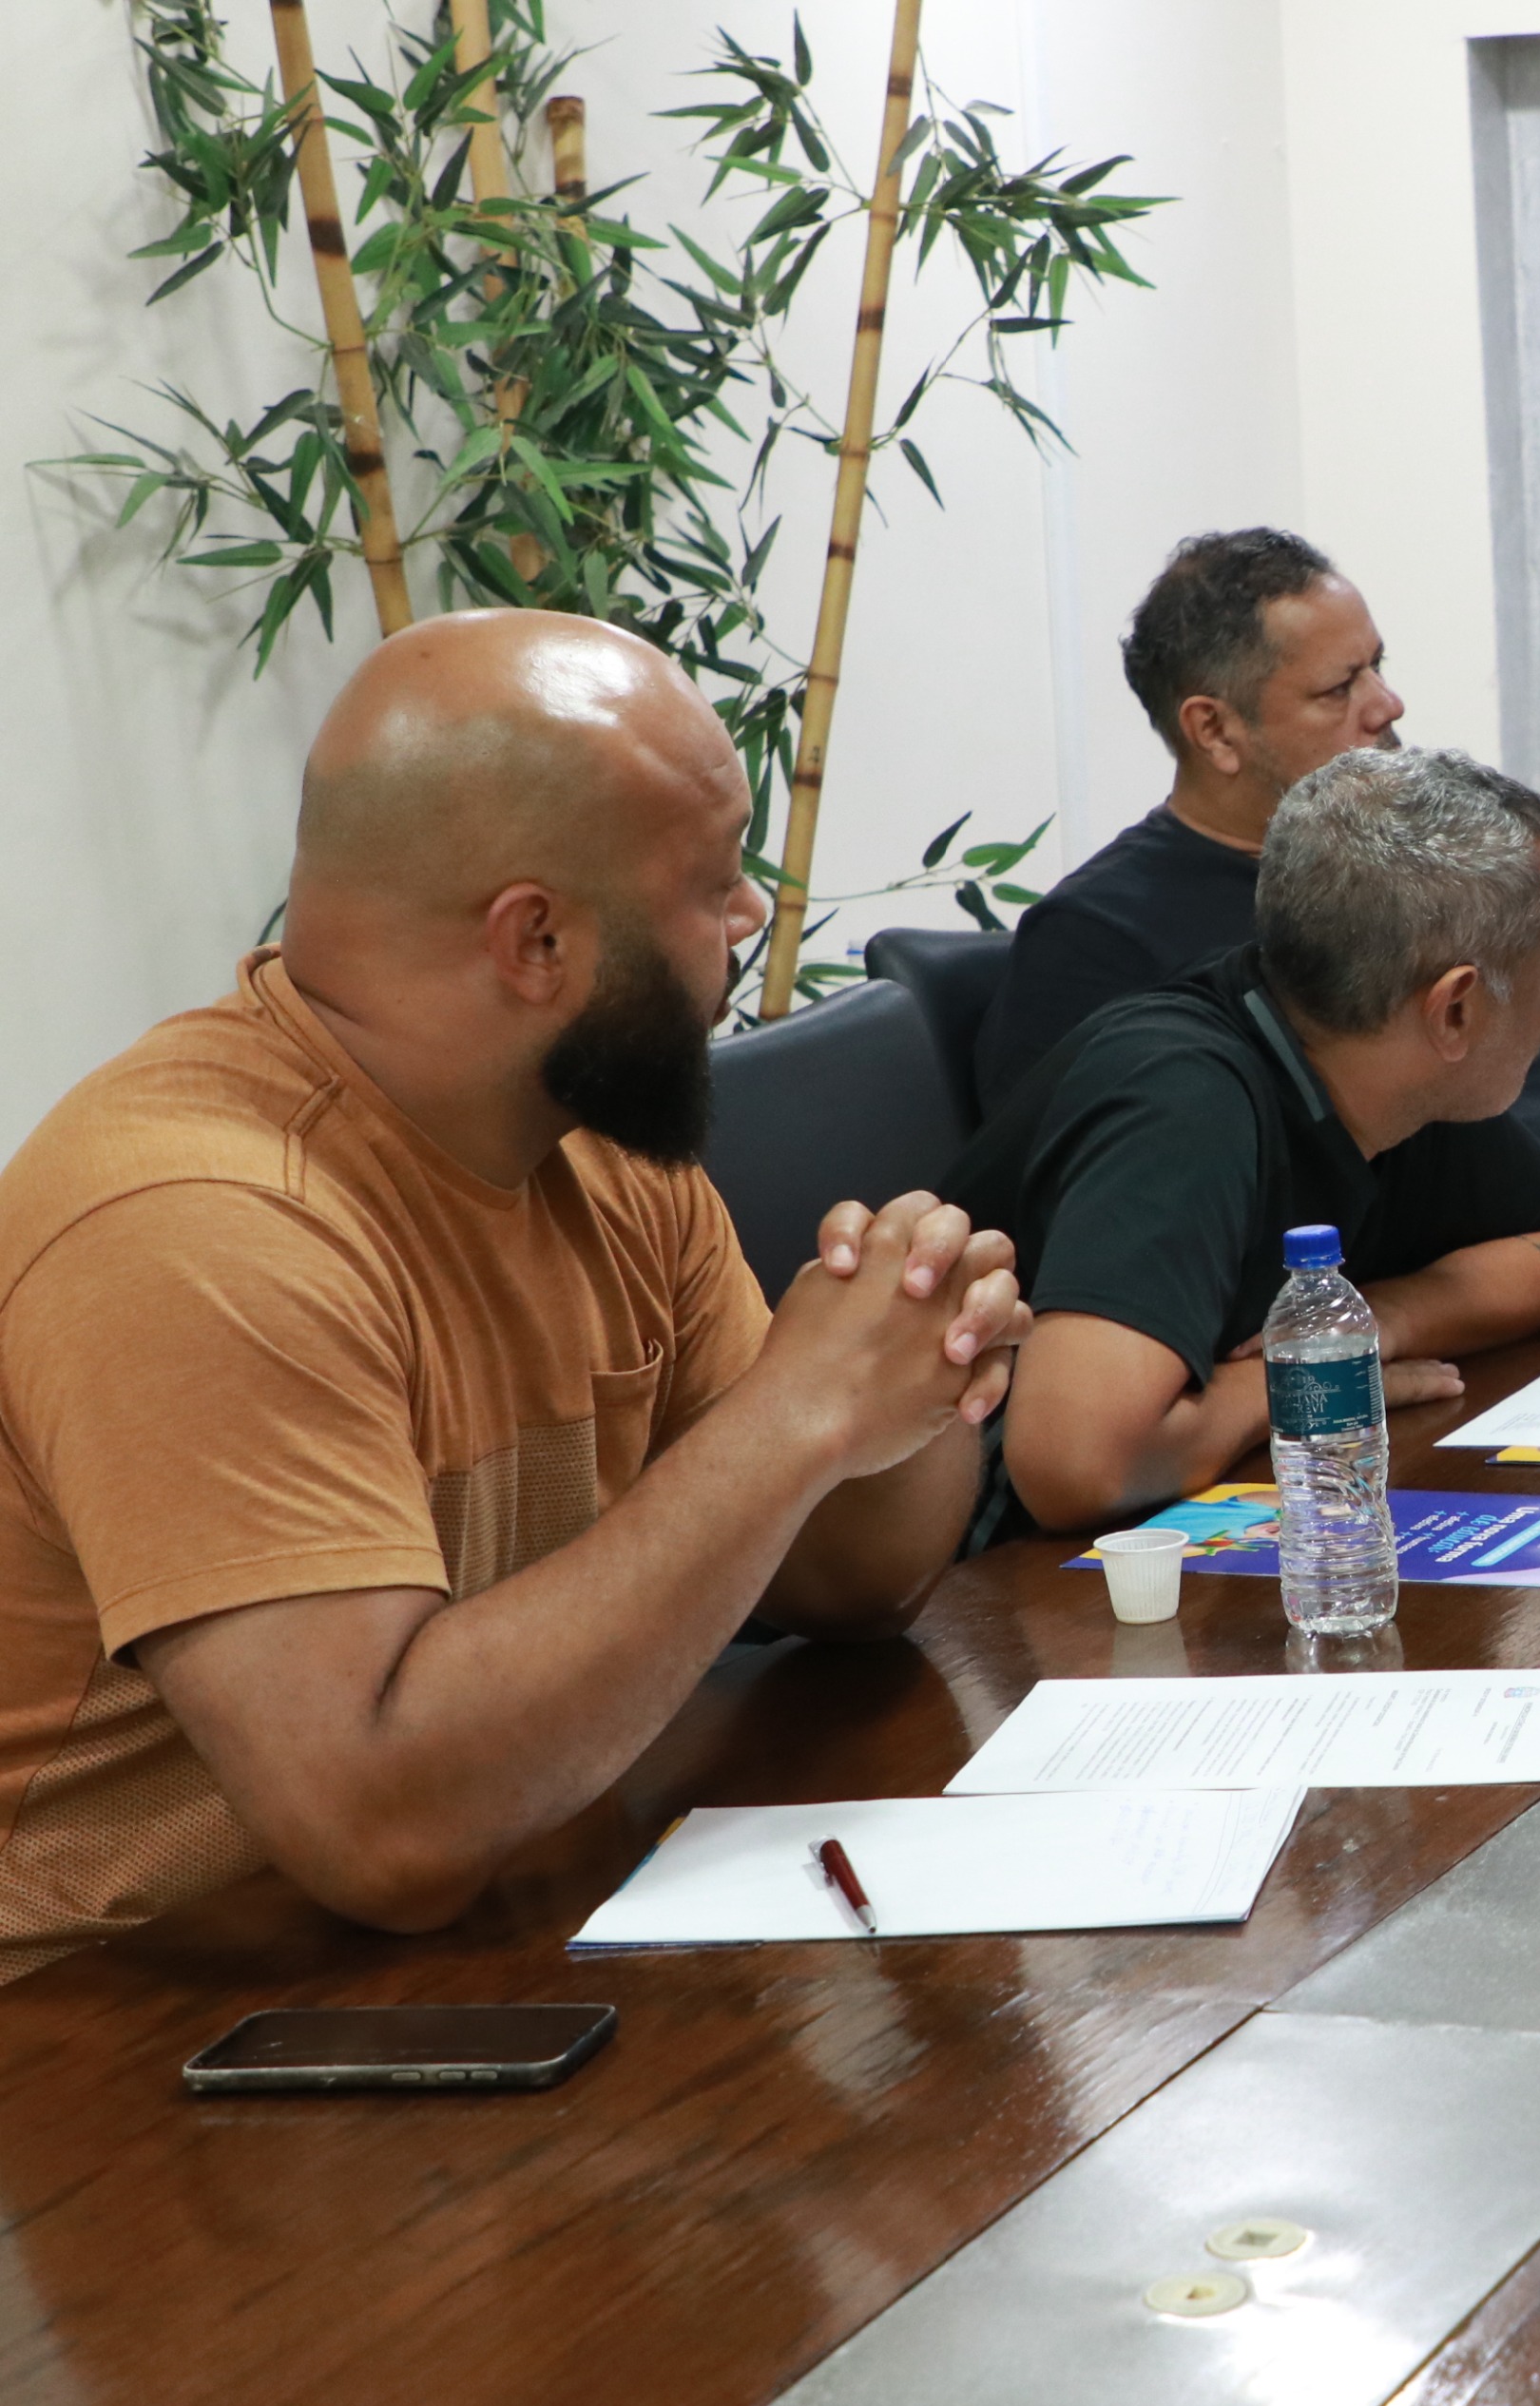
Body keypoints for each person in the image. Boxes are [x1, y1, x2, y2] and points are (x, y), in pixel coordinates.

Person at [0, 612, 1026, 1984]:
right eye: (715, 881)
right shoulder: (194, 1229)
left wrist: (915, 1363)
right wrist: (796, 1417)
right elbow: (385, 1829)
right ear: (536, 939)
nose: (749, 918)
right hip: (105, 2028)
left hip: (477, 1937)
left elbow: (849, 1576)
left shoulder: (598, 1153)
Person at [950, 746, 1540, 1538]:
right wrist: (1304, 1377)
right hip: (981, 1579)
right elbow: (1076, 1464)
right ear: (1455, 1010)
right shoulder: (1183, 1100)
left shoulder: (1385, 1065)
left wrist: (1380, 1321)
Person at [974, 529, 1540, 1270]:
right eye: (1339, 688)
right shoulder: (1097, 939)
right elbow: (1082, 1215)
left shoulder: (1439, 858)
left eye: (1378, 666)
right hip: (1412, 1321)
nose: (1387, 704)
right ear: (1215, 729)